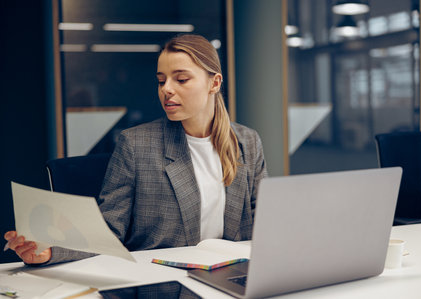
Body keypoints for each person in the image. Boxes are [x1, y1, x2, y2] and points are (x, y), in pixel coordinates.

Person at [4, 34, 267, 265]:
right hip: (160, 282)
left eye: (181, 79)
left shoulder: (247, 142)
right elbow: (109, 230)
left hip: (232, 275)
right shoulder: (136, 145)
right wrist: (50, 251)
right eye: (161, 80)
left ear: (214, 83)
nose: (167, 90)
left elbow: (264, 223)